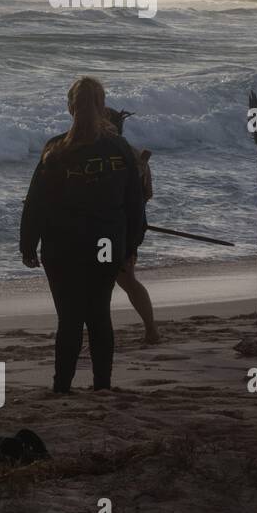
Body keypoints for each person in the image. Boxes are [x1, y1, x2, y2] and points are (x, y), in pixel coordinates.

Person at [20, 78, 146, 392]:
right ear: (102, 107)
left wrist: (27, 244)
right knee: (99, 313)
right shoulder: (119, 150)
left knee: (70, 317)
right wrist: (131, 245)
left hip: (64, 246)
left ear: (70, 107)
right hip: (106, 244)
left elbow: (36, 202)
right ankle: (102, 384)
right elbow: (134, 203)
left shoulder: (56, 149)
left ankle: (62, 386)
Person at [108, 107, 160, 344]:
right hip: (130, 229)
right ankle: (151, 329)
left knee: (114, 281)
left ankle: (151, 330)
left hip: (114, 229)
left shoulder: (105, 156)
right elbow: (147, 195)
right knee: (127, 280)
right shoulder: (136, 156)